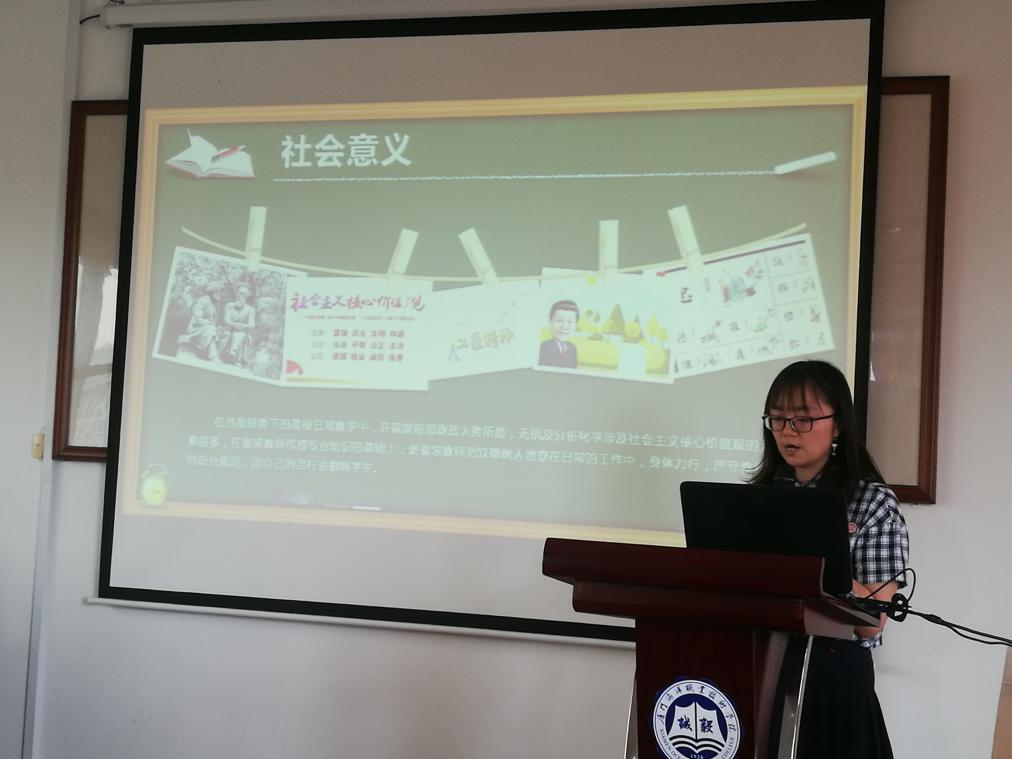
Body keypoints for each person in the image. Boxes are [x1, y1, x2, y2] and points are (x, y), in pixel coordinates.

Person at [748, 359, 909, 759]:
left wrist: (814, 562)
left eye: (802, 419)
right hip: (761, 669)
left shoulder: (871, 502)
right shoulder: (757, 497)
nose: (787, 430)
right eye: (778, 419)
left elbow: (872, 622)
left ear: (837, 425)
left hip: (832, 676)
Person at [219, 283, 256, 366]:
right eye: (239, 293)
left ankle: (233, 353)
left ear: (246, 296)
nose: (240, 296)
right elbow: (226, 320)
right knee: (227, 334)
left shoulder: (250, 309)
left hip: (241, 331)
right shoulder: (229, 305)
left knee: (240, 334)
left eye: (243, 294)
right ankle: (220, 355)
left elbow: (252, 325)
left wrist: (243, 326)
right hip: (229, 328)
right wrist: (234, 324)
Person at [538, 300, 579, 368]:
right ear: (550, 322)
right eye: (559, 320)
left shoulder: (572, 348)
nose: (564, 326)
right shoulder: (545, 346)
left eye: (570, 321)